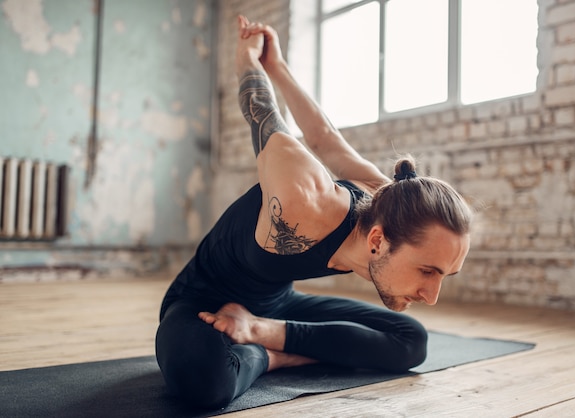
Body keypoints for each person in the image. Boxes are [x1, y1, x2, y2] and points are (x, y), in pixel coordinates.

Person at [155, 15, 473, 410]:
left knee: (411, 341)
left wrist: (279, 65)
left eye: (443, 275)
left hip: (274, 306)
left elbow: (325, 137)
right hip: (203, 299)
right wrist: (249, 61)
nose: (432, 295)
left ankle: (267, 344)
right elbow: (262, 114)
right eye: (428, 270)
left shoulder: (384, 197)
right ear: (378, 240)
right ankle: (267, 344)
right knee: (203, 381)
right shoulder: (303, 198)